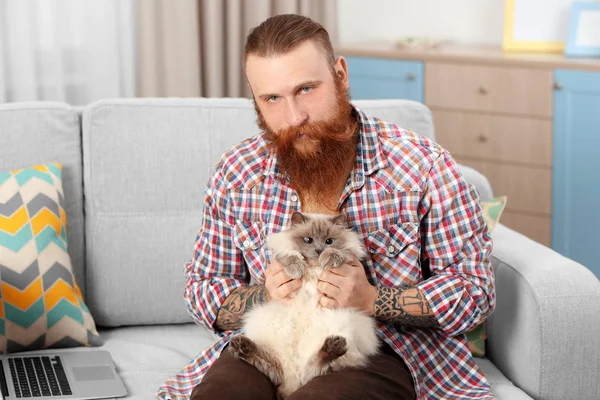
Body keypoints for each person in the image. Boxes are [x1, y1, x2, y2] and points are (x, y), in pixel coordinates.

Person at [159, 13, 496, 400]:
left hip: (378, 351)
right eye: (272, 98)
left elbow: (475, 292)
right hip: (270, 345)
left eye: (306, 89)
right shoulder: (237, 173)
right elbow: (201, 288)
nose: (294, 117)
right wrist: (263, 295)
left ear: (340, 74)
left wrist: (373, 299)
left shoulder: (423, 165)